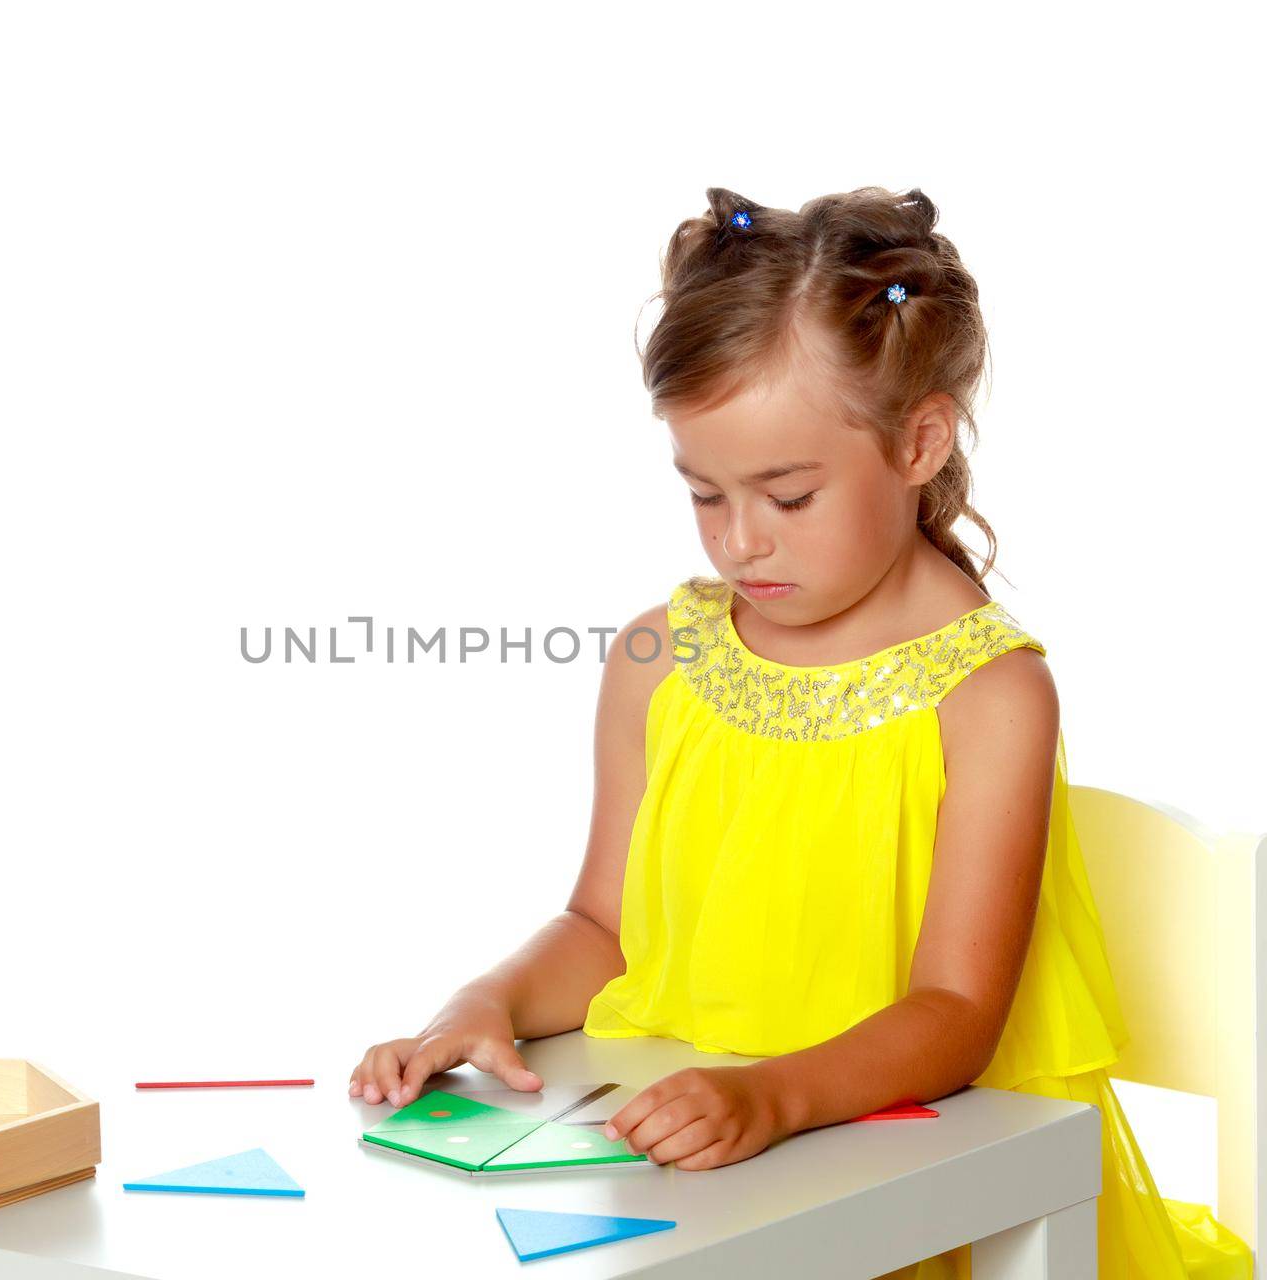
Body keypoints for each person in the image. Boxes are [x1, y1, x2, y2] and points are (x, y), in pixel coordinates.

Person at [347, 186, 1252, 1279]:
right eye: (703, 494)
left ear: (918, 441)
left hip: (925, 1197)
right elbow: (603, 925)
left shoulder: (989, 694)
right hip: (702, 1188)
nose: (739, 543)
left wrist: (769, 1092)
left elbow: (956, 1011)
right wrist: (478, 1002)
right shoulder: (659, 659)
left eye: (787, 494)